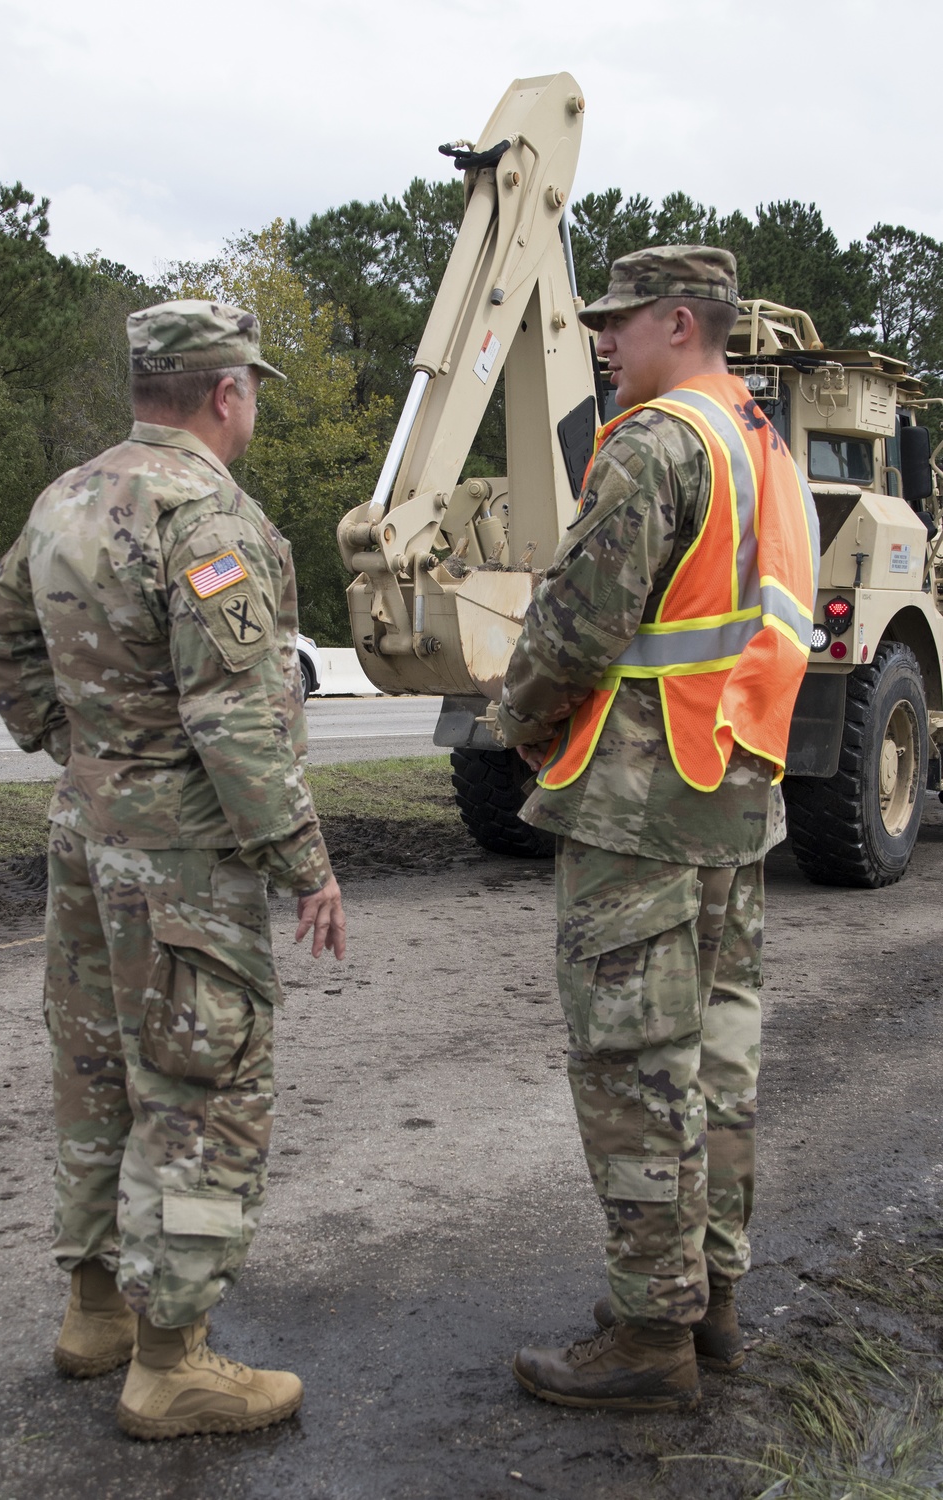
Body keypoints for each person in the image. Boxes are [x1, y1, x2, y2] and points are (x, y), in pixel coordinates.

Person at [0, 299, 346, 1440]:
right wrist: (304, 865)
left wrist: (82, 749)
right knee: (199, 1087)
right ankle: (170, 1360)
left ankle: (94, 1313)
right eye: (251, 391)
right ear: (225, 390)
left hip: (87, 838)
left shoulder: (65, 498)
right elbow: (236, 719)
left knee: (94, 1074)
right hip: (180, 860)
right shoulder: (206, 514)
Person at [495, 246, 819, 1411]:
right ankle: (708, 1299)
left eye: (620, 321)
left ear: (679, 320)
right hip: (733, 787)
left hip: (640, 799)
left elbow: (576, 627)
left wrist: (520, 723)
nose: (601, 338)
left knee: (634, 1066)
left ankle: (647, 1338)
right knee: (718, 1056)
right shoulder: (758, 442)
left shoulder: (655, 442)